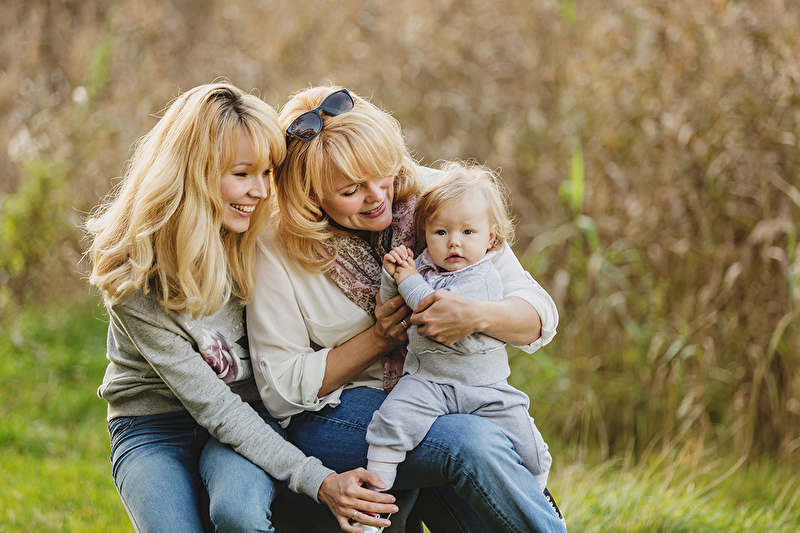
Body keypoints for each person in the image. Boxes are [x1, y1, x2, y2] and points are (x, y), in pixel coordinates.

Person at [247, 84, 566, 533]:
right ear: (311, 195)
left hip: (448, 392)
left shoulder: (440, 198)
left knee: (479, 467)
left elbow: (538, 312)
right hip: (340, 414)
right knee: (469, 442)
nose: (378, 196)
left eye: (383, 174)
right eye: (352, 190)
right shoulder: (277, 248)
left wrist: (476, 316)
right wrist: (379, 339)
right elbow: (280, 389)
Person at [85, 82, 397, 533]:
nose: (261, 191)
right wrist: (320, 481)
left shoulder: (257, 234)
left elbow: (391, 178)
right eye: (242, 174)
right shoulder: (135, 272)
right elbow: (213, 407)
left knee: (240, 514)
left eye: (268, 172)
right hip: (154, 426)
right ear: (194, 171)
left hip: (251, 410)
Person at [358, 161, 565, 532]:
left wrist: (407, 279)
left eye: (468, 231)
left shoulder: (482, 276)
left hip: (485, 389)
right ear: (424, 235)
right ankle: (377, 495)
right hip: (429, 383)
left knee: (527, 445)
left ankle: (533, 494)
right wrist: (394, 276)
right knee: (390, 423)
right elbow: (394, 302)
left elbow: (428, 303)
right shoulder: (422, 265)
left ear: (490, 238)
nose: (454, 242)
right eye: (441, 232)